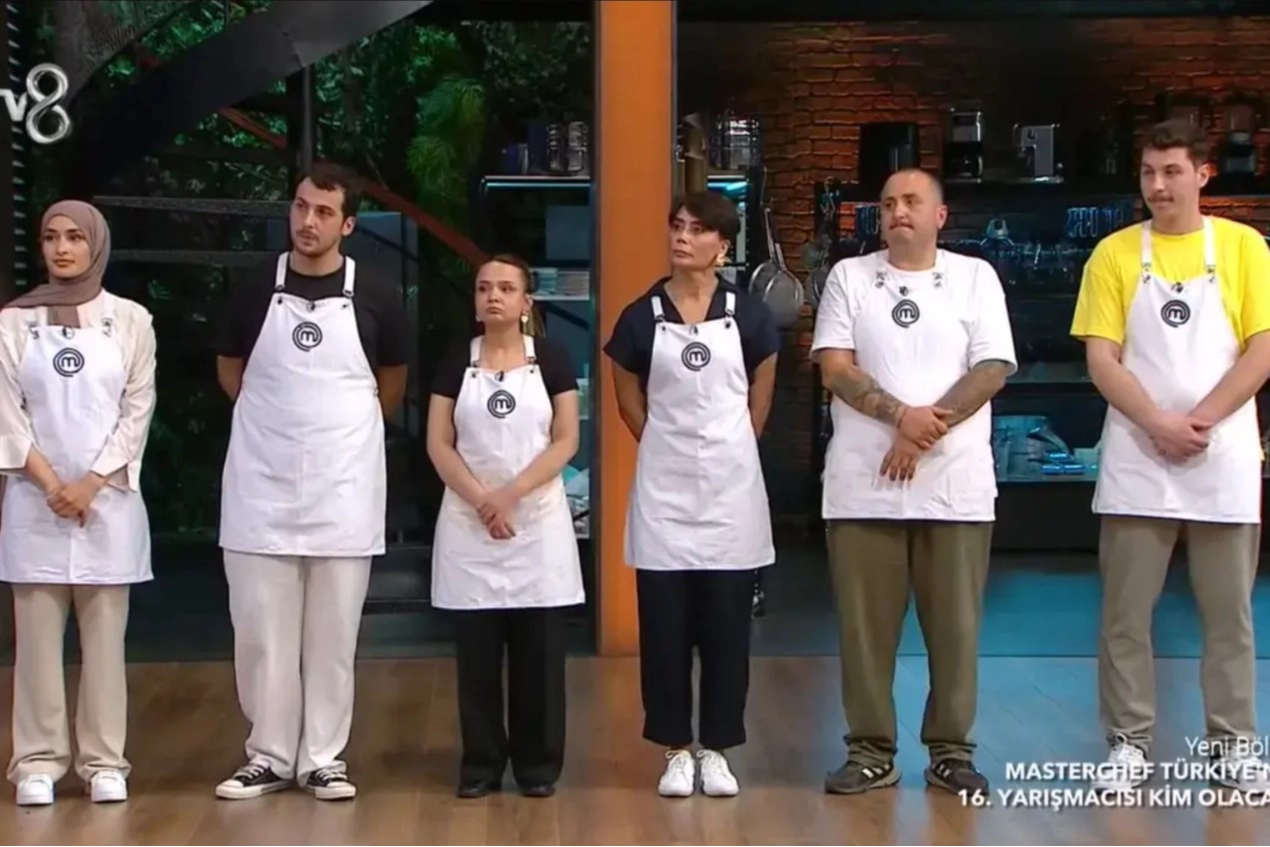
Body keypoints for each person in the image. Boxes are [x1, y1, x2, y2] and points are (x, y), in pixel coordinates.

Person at [1071, 119, 1270, 793]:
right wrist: (1158, 423)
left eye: (1172, 172)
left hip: (1222, 455)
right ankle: (1127, 744)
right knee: (1125, 615)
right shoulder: (1114, 254)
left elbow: (1261, 350)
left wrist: (1199, 421)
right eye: (1149, 173)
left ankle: (1233, 745)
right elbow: (1102, 359)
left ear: (1203, 174)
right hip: (1137, 454)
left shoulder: (1243, 247)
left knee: (1230, 617)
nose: (1158, 185)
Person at [811, 168, 1016, 797]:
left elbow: (992, 368)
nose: (898, 211)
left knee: (955, 630)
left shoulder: (975, 277)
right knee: (864, 633)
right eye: (888, 203)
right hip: (862, 486)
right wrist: (901, 416)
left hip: (955, 488)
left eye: (911, 201)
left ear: (940, 216)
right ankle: (870, 750)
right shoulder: (850, 277)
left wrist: (923, 429)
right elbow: (835, 368)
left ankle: (951, 751)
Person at [212, 164, 411, 801]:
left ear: (347, 225)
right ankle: (268, 755)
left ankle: (324, 757)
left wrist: (341, 433)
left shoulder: (376, 293)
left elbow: (392, 381)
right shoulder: (253, 287)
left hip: (343, 485)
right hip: (261, 482)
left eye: (324, 212)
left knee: (333, 634)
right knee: (260, 632)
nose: (308, 221)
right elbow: (230, 370)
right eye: (301, 207)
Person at [603, 191, 779, 798]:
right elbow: (626, 393)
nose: (682, 237)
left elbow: (761, 394)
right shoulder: (640, 316)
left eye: (697, 229)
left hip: (732, 494)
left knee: (728, 629)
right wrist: (661, 444)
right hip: (665, 494)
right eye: (676, 226)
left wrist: (733, 449)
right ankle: (676, 749)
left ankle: (719, 749)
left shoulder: (749, 316)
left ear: (722, 246)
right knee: (665, 629)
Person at [0, 200, 156, 806]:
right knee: (36, 645)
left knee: (105, 643)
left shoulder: (132, 320)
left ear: (96, 244)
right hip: (34, 503)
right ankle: (37, 761)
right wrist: (51, 484)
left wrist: (88, 484)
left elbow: (136, 411)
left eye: (74, 237)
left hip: (106, 505)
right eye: (51, 238)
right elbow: (7, 416)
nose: (62, 248)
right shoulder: (13, 323)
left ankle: (104, 761)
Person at [426, 253, 583, 800]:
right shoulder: (455, 359)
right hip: (470, 523)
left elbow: (566, 439)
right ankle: (481, 765)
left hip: (535, 522)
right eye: (483, 288)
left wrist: (511, 495)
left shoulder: (553, 359)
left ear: (525, 302)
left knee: (540, 657)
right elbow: (438, 442)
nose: (493, 296)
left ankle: (538, 767)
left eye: (506, 288)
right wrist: (483, 501)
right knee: (477, 658)